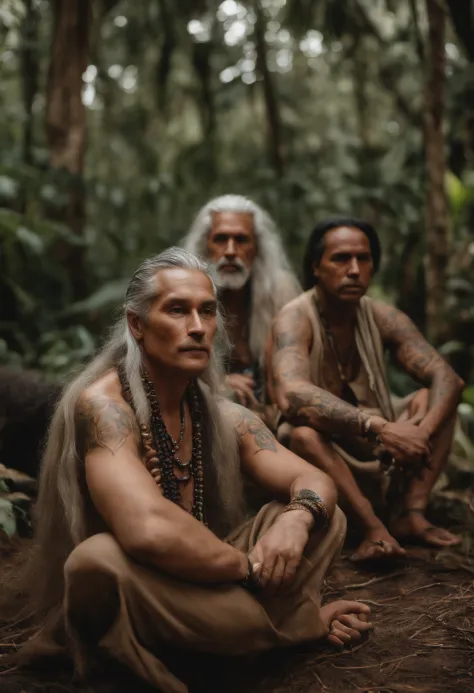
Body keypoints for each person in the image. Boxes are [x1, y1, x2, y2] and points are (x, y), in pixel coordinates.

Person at [14, 248, 372, 693]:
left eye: (207, 311)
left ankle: (234, 631)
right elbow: (146, 530)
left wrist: (297, 519)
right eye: (178, 310)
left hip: (207, 575)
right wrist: (250, 569)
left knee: (324, 514)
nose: (198, 327)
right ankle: (287, 627)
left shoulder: (221, 415)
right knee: (96, 561)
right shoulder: (105, 408)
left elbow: (315, 479)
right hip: (142, 583)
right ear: (137, 325)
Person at [270, 217, 464, 563]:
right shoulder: (295, 317)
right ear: (316, 267)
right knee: (301, 434)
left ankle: (410, 512)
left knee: (429, 399)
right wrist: (382, 429)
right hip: (328, 455)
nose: (354, 270)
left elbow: (446, 377)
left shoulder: (381, 316)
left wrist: (418, 435)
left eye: (363, 259)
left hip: (383, 450)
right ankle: (373, 527)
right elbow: (291, 393)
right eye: (341, 259)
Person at [183, 195, 300, 410]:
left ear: (257, 248)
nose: (230, 251)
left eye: (241, 240)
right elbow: (166, 368)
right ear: (205, 245)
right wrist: (219, 383)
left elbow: (296, 369)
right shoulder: (183, 291)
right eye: (220, 239)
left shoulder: (281, 293)